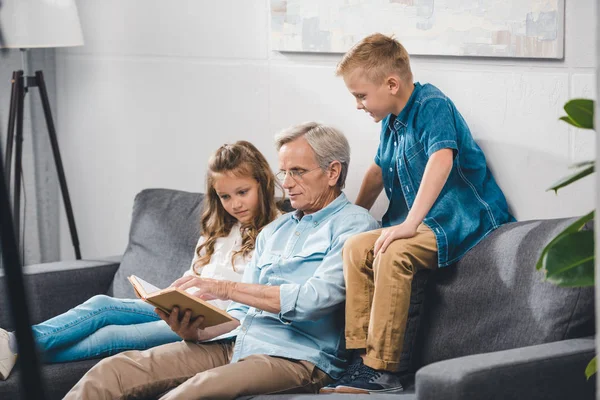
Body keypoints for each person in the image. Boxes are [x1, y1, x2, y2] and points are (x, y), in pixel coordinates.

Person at [63, 122, 379, 399]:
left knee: (192, 392)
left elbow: (316, 300)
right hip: (235, 342)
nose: (287, 182)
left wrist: (225, 288)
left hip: (298, 358)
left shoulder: (355, 225)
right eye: (284, 172)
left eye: (298, 171)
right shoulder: (275, 231)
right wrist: (195, 332)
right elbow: (242, 314)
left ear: (333, 172)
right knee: (114, 370)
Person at [323, 33, 515, 394]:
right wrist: (350, 213)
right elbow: (378, 171)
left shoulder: (432, 105)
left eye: (361, 96)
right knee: (355, 247)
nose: (358, 105)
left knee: (393, 252)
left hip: (459, 219)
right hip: (425, 222)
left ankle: (384, 370)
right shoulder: (391, 123)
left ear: (391, 84)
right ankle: (360, 359)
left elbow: (442, 157)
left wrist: (409, 224)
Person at [0, 140, 280, 380]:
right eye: (225, 196)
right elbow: (193, 273)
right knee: (103, 305)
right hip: (184, 307)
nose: (235, 204)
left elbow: (262, 296)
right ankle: (13, 343)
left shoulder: (277, 231)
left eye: (242, 193)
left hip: (213, 324)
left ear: (262, 183)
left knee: (112, 336)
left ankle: (12, 348)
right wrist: (171, 293)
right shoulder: (218, 227)